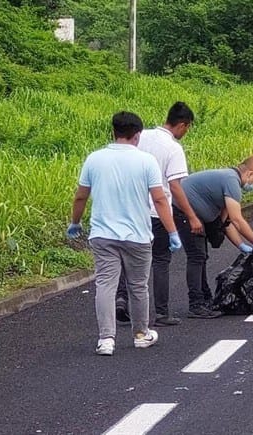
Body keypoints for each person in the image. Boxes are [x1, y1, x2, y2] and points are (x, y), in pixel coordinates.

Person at [66, 111, 182, 356]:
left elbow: (81, 195)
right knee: (138, 286)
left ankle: (106, 339)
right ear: (137, 135)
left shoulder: (94, 159)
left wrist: (75, 222)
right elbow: (160, 199)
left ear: (113, 131)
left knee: (106, 285)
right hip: (137, 235)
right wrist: (172, 231)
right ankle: (141, 334)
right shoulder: (146, 161)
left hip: (102, 235)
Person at [114, 102, 201, 328]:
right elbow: (175, 187)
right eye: (187, 128)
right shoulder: (173, 148)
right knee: (161, 260)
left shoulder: (141, 136)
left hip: (129, 209)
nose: (186, 132)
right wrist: (191, 216)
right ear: (182, 125)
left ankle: (121, 299)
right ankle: (161, 313)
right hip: (156, 212)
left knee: (127, 257)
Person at [175, 156, 253, 318]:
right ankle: (196, 304)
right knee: (197, 257)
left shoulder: (229, 179)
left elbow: (225, 222)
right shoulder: (231, 181)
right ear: (250, 173)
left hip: (196, 213)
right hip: (184, 211)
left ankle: (205, 298)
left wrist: (241, 246)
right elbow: (237, 219)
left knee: (202, 256)